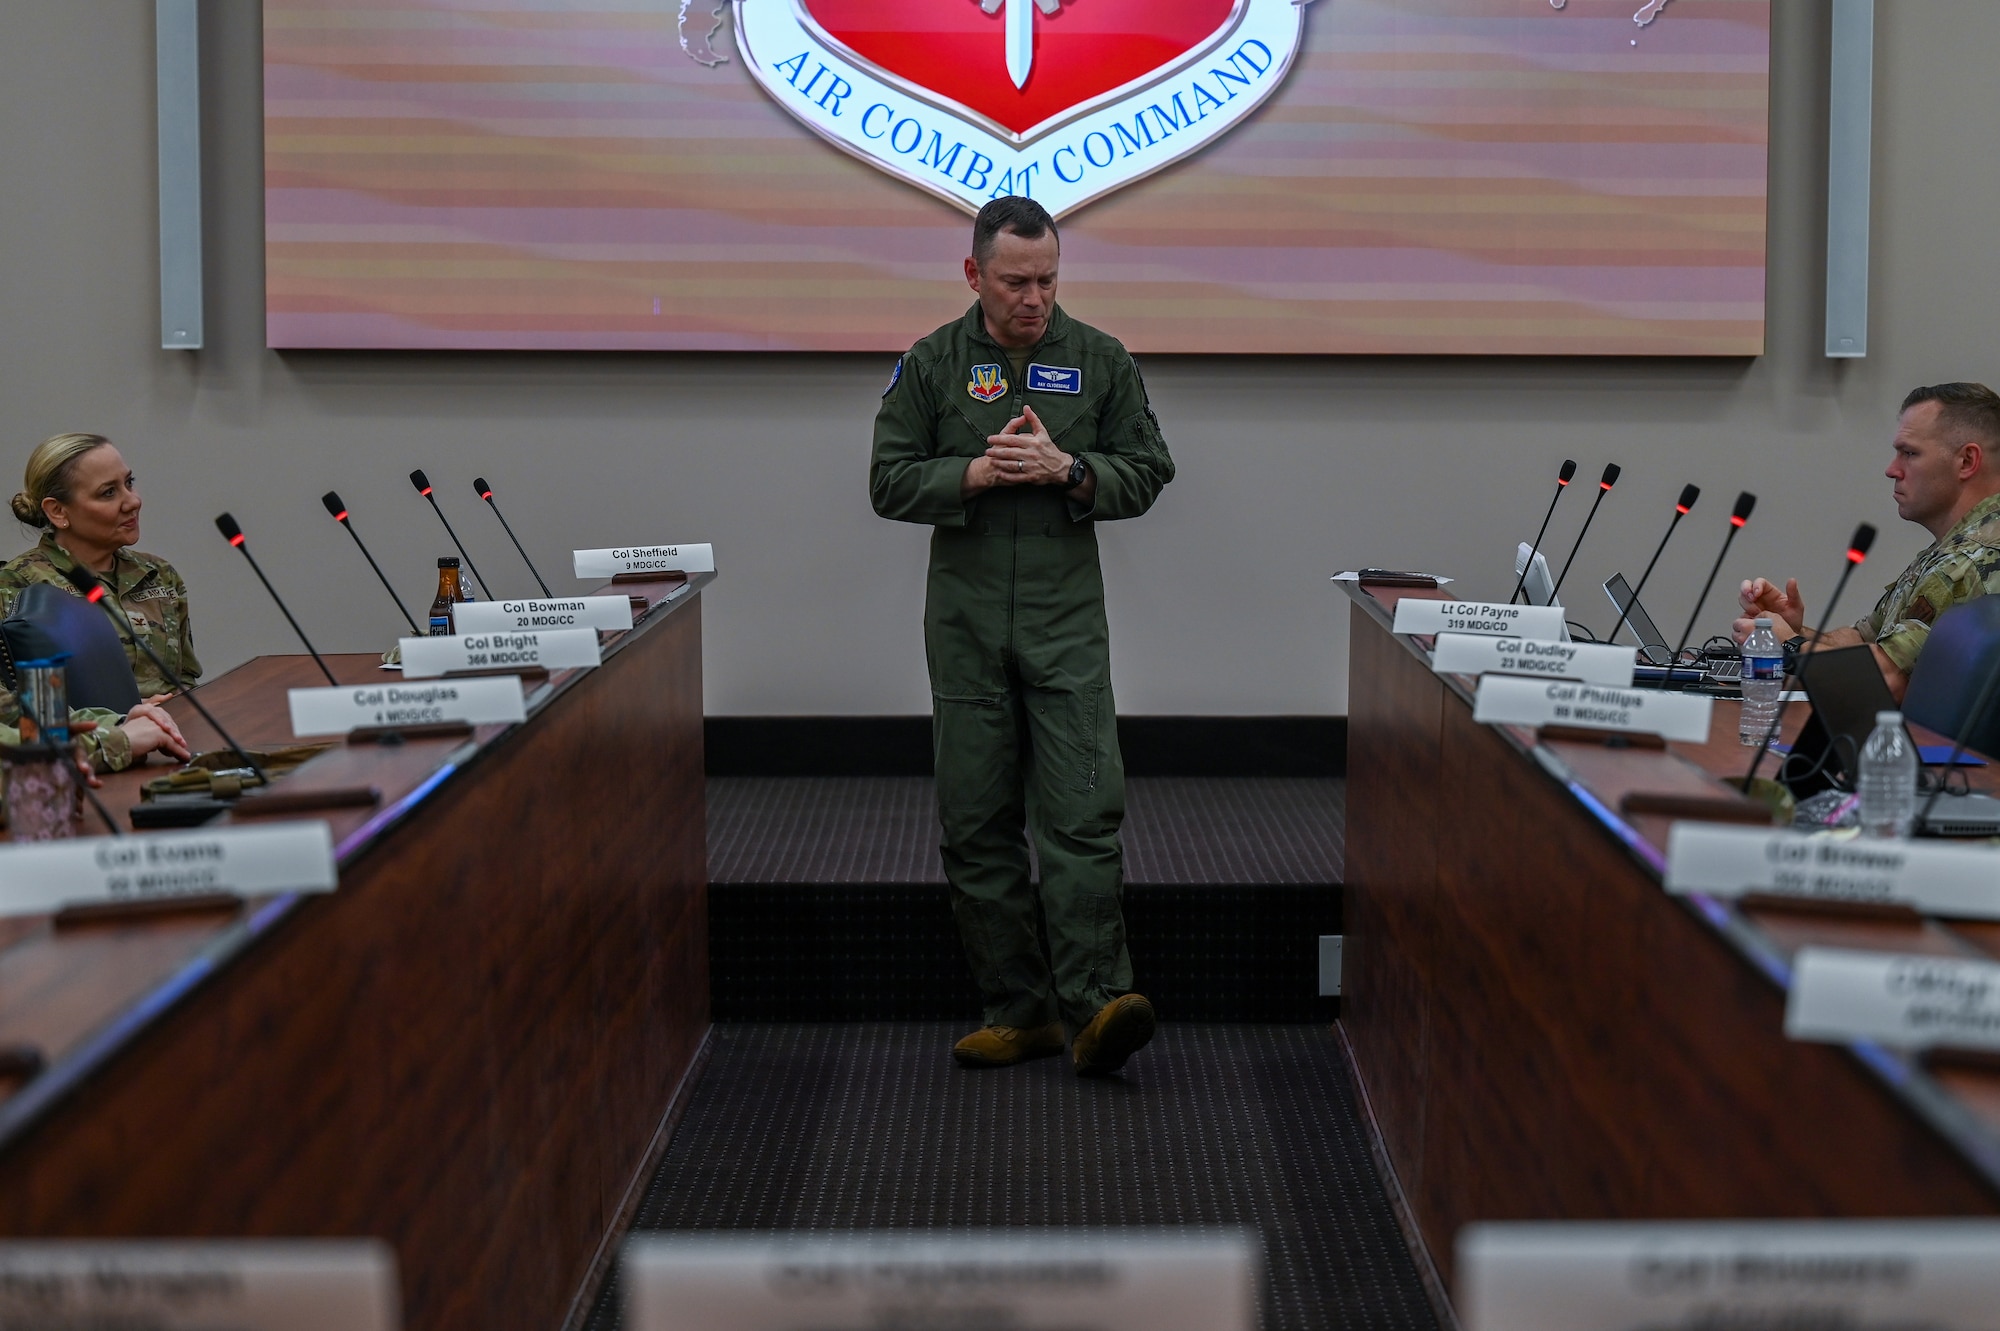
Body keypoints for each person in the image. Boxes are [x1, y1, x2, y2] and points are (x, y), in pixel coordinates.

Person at [870, 197, 1175, 1076]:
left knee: (1082, 819)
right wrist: (973, 471)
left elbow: (1150, 468)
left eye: (1047, 279)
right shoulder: (931, 364)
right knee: (977, 825)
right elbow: (887, 480)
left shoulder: (1100, 360)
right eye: (1015, 282)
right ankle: (1019, 1009)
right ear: (974, 276)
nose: (1034, 298)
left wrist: (1069, 469)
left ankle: (1099, 1003)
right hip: (965, 629)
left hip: (1065, 625)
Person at [1737, 383, 2000, 699]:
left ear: (1967, 461)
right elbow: (1865, 642)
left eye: (1910, 453)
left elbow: (1884, 679)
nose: (1892, 470)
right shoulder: (1948, 551)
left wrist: (1790, 646)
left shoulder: (1970, 561)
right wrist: (1794, 631)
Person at [0, 433, 192, 771]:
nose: (132, 501)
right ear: (58, 511)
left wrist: (171, 706)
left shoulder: (158, 574)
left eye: (128, 483)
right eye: (109, 492)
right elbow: (14, 711)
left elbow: (187, 678)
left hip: (168, 744)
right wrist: (119, 719)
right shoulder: (17, 587)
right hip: (83, 760)